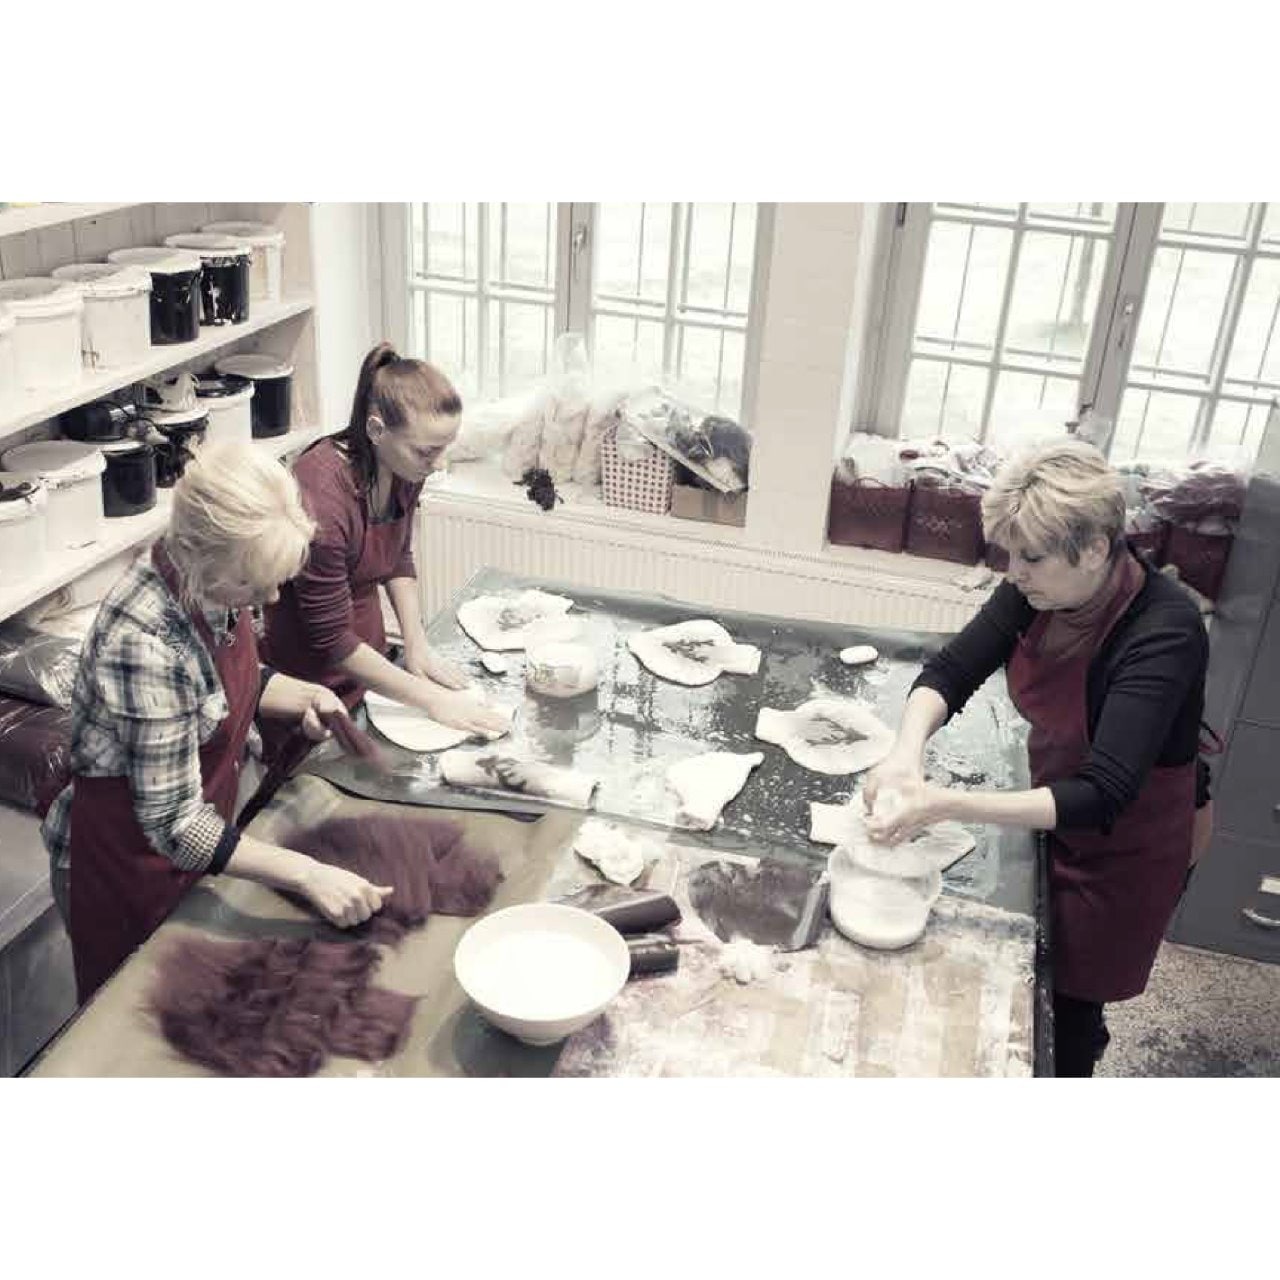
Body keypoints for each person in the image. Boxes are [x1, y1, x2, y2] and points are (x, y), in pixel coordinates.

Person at [863, 438, 1208, 1077]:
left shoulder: (1165, 631)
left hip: (1126, 848)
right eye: (1009, 553)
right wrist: (904, 756)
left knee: (1066, 1011)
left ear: (1095, 549)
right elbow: (951, 669)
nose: (1013, 572)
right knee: (1028, 966)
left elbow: (1104, 791)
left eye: (1030, 557)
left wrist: (941, 803)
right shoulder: (1038, 590)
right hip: (1054, 800)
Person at [41, 441, 393, 1004]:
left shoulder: (212, 580)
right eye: (255, 587)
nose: (270, 598)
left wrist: (299, 694)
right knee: (136, 1023)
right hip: (126, 872)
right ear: (202, 555)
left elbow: (220, 678)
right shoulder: (145, 643)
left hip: (186, 852)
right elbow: (176, 825)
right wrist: (306, 873)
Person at [260, 342, 505, 759]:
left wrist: (416, 645)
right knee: (317, 779)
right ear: (376, 430)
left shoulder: (405, 466)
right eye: (428, 451)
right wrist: (433, 701)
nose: (438, 464)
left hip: (371, 665)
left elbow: (397, 555)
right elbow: (331, 638)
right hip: (309, 681)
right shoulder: (320, 496)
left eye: (444, 448)